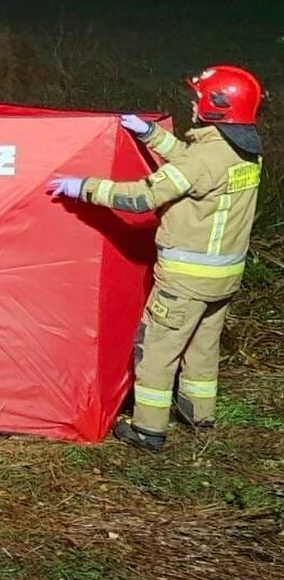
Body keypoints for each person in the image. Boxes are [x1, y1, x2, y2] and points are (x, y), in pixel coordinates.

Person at [47, 65, 265, 452]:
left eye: (199, 99)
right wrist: (153, 136)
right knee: (202, 347)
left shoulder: (203, 160)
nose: (194, 104)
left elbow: (141, 198)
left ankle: (148, 430)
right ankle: (198, 414)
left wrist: (85, 188)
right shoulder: (244, 149)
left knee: (156, 351)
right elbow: (193, 164)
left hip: (186, 279)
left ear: (215, 107)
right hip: (225, 276)